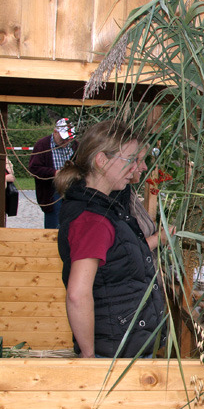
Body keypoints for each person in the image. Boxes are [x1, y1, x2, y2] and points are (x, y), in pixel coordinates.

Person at [54, 120, 165, 358]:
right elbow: (78, 294)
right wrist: (89, 356)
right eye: (131, 160)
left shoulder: (108, 208)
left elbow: (119, 258)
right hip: (113, 355)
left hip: (124, 346)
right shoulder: (92, 219)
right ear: (101, 160)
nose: (137, 168)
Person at [30, 118, 77, 228]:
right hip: (51, 191)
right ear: (55, 132)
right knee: (54, 225)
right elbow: (34, 168)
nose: (66, 142)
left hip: (71, 191)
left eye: (69, 139)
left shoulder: (75, 146)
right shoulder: (42, 145)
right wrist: (55, 173)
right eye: (63, 139)